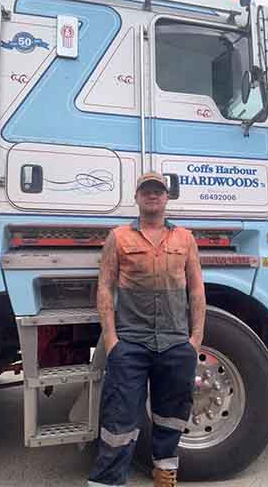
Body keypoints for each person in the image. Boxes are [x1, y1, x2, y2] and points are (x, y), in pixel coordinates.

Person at [87, 172, 206, 487]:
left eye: (158, 191)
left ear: (166, 197)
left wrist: (195, 339)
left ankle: (164, 475)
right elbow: (104, 287)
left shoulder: (185, 238)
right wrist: (111, 340)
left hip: (175, 343)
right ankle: (108, 481)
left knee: (172, 415)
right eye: (146, 191)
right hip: (131, 343)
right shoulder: (118, 237)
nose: (153, 195)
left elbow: (196, 289)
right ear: (137, 197)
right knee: (119, 419)